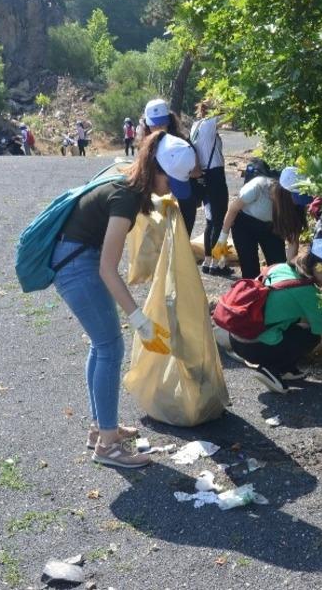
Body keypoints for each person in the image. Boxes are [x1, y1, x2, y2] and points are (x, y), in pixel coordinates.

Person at [52, 131, 197, 468]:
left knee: (101, 345)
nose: (172, 188)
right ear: (154, 168)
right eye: (170, 180)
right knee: (110, 348)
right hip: (76, 266)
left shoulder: (128, 183)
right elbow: (107, 269)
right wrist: (139, 319)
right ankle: (107, 447)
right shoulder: (126, 199)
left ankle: (101, 429)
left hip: (76, 258)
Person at [226, 239, 322, 392]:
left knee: (305, 324)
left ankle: (286, 368)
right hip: (252, 346)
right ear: (320, 267)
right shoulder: (309, 293)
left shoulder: (281, 267)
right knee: (313, 334)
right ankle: (272, 369)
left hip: (237, 337)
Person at [213, 166, 306, 279]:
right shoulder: (258, 187)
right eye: (295, 197)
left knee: (278, 264)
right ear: (284, 192)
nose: (297, 202)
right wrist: (222, 240)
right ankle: (252, 293)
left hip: (272, 228)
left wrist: (288, 272)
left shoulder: (295, 206)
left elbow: (293, 240)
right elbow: (233, 209)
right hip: (244, 225)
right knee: (250, 269)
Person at [143, 99, 200, 234]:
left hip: (183, 196)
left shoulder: (182, 145)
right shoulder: (145, 145)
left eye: (162, 123)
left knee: (182, 237)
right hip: (155, 200)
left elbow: (197, 171)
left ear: (169, 120)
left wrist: (176, 172)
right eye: (154, 124)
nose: (158, 128)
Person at [190, 100, 231, 276]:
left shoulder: (195, 126)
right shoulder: (210, 123)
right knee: (219, 220)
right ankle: (217, 264)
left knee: (210, 219)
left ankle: (208, 261)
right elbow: (231, 113)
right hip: (215, 174)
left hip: (202, 176)